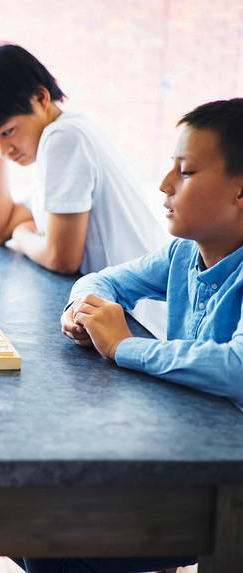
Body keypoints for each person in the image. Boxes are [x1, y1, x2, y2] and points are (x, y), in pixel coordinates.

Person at [44, 98, 243, 573]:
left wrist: (123, 346)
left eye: (186, 172)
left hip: (229, 489)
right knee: (36, 521)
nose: (164, 185)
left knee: (56, 543)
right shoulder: (181, 253)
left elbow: (237, 369)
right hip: (184, 461)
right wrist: (82, 310)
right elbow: (103, 281)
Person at [0, 43, 168, 336]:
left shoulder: (64, 139)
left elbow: (61, 258)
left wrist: (22, 235)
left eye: (6, 131)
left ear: (41, 98)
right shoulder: (62, 134)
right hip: (127, 310)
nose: (2, 149)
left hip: (144, 319)